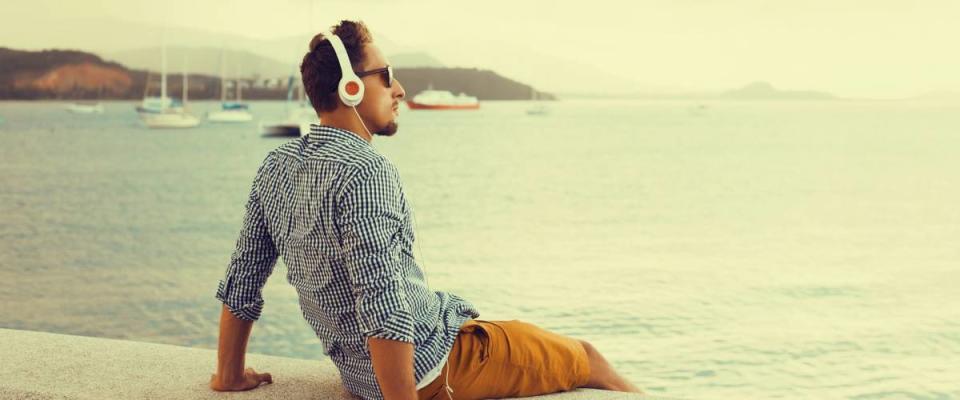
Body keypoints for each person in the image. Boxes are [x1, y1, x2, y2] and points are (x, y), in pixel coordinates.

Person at [209, 20, 643, 400]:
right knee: (587, 358)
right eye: (387, 76)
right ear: (351, 87)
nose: (399, 89)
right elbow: (383, 305)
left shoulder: (277, 166)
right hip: (432, 370)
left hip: (363, 377)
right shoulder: (366, 172)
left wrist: (229, 375)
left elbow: (245, 273)